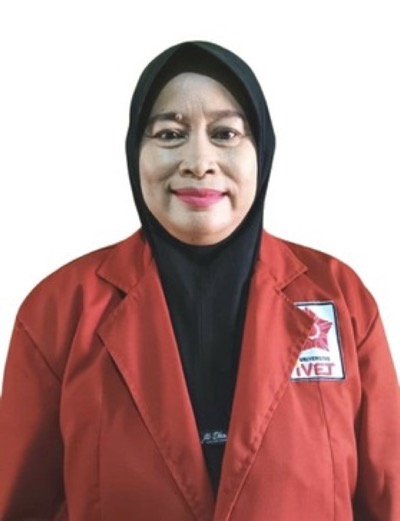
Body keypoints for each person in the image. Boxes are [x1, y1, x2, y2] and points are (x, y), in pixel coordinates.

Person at [0, 41, 399, 521]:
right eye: (170, 134)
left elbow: (388, 498)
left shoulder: (339, 296)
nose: (198, 160)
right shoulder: (58, 309)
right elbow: (20, 506)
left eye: (225, 133)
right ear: (135, 152)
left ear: (262, 150)